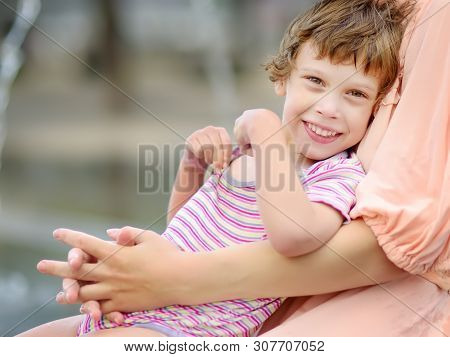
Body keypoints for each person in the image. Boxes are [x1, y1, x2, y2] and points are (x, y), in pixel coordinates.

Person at [23, 0, 449, 337]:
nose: (328, 107)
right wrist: (192, 168)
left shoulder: (339, 177)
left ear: (376, 112)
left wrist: (268, 133)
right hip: (148, 309)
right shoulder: (255, 154)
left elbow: (292, 237)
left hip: (185, 330)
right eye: (316, 82)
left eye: (355, 94)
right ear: (283, 78)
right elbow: (186, 229)